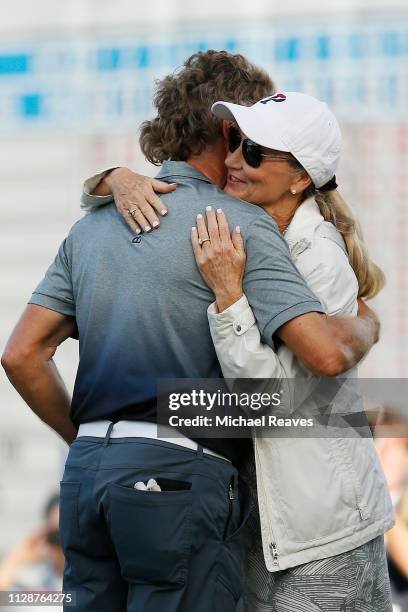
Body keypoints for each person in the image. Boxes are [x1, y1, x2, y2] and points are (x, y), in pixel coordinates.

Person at [2, 51, 380, 612]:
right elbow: (321, 359)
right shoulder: (241, 224)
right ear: (227, 131)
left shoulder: (91, 228)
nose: (243, 158)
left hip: (88, 478)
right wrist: (368, 324)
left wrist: (100, 443)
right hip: (184, 483)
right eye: (243, 141)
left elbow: (21, 356)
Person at [85, 91, 394, 611]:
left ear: (300, 178)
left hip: (320, 537)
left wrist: (229, 299)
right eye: (236, 143)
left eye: (254, 153)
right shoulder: (248, 234)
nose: (231, 161)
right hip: (267, 525)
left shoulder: (316, 257)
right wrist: (116, 177)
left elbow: (268, 403)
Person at [0, 493, 63, 611]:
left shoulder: (92, 574)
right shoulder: (31, 578)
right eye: (57, 536)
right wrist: (18, 557)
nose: (62, 544)